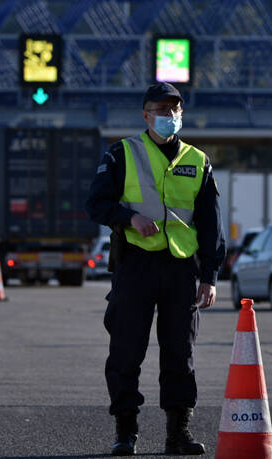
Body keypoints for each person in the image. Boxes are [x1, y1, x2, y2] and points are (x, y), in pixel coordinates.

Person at [86, 82, 226, 456]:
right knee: (126, 350)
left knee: (180, 352)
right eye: (161, 110)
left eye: (175, 110)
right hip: (136, 264)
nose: (169, 116)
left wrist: (210, 277)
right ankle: (125, 431)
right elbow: (96, 204)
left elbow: (212, 224)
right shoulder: (122, 154)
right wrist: (128, 217)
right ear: (145, 115)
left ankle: (178, 433)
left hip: (181, 268)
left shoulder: (198, 161)